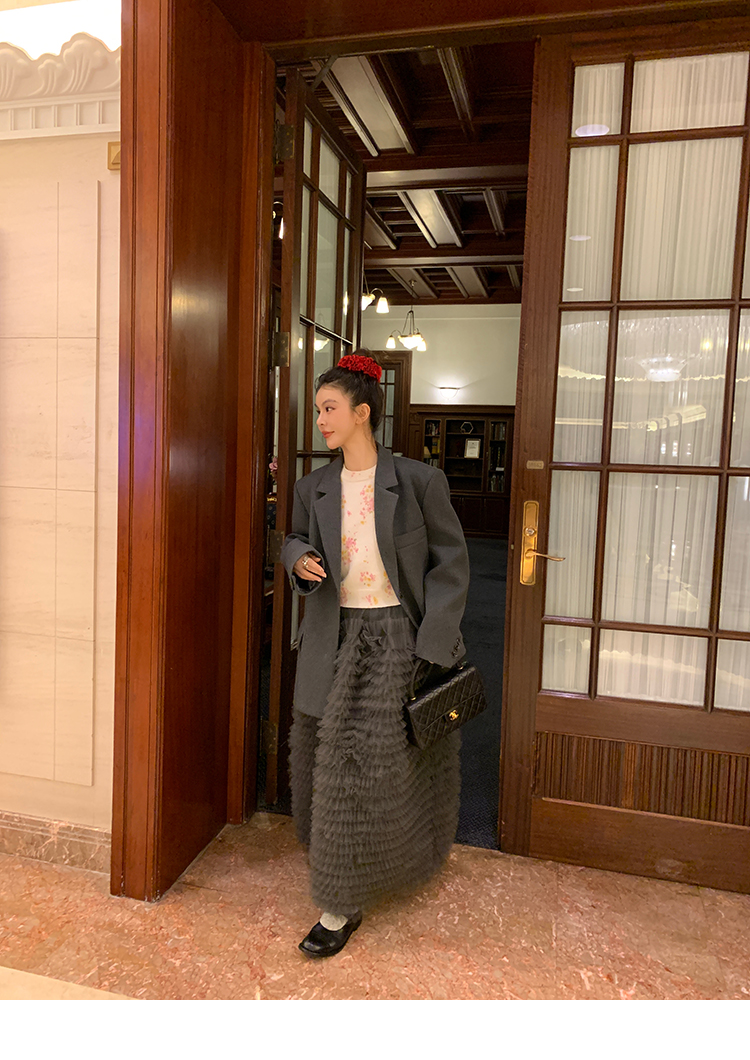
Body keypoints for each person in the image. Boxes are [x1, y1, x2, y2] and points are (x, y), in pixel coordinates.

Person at [280, 351, 470, 958]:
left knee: (377, 765)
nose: (320, 421)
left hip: (396, 639)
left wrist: (431, 646)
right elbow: (291, 539)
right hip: (332, 637)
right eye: (318, 411)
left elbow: (451, 566)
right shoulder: (314, 487)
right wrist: (297, 560)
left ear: (362, 413)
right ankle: (345, 884)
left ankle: (342, 902)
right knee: (333, 763)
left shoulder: (418, 482)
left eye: (329, 409)